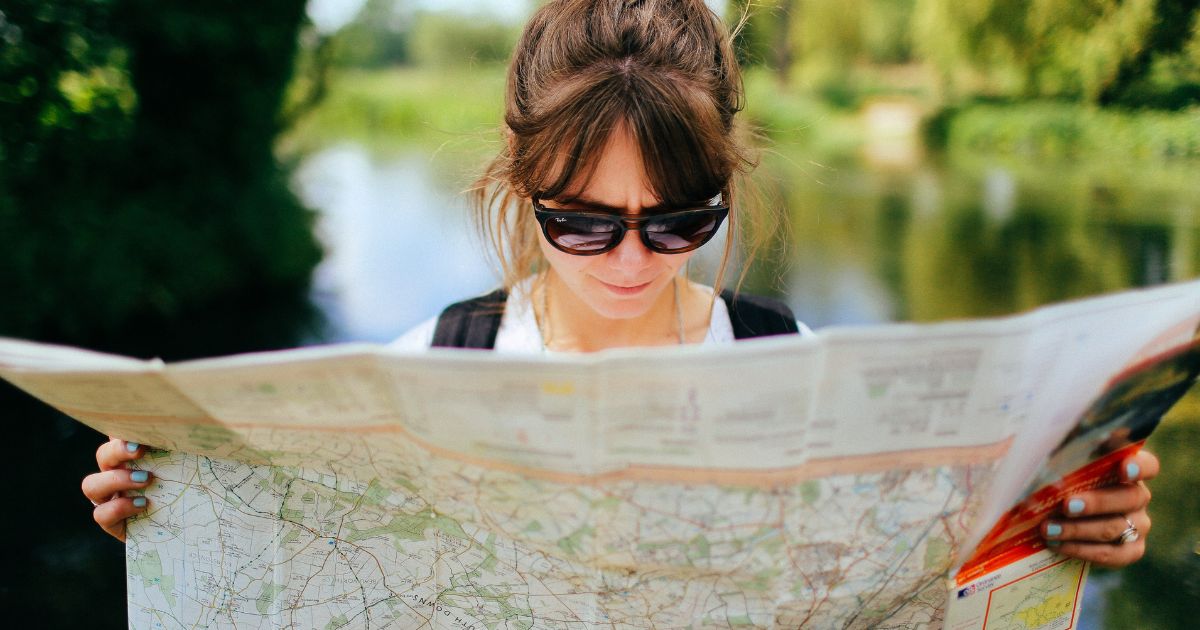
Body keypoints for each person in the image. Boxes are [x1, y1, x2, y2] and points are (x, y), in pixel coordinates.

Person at [81, 0, 1156, 569]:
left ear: (728, 186)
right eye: (585, 223)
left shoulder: (800, 364)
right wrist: (178, 516)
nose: (636, 265)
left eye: (680, 221)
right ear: (522, 182)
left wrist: (1068, 524)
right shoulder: (430, 366)